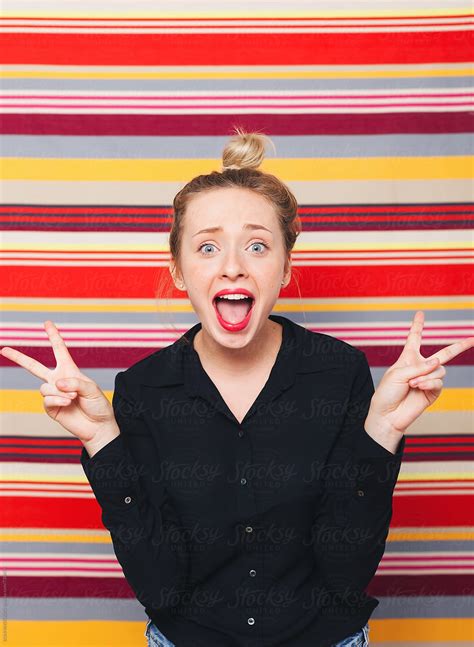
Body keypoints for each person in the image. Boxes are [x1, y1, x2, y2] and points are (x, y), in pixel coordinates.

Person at [2, 128, 472, 647]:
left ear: (287, 265)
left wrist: (380, 432)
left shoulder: (339, 373)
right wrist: (102, 443)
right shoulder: (143, 389)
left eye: (256, 245)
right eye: (207, 247)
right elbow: (158, 584)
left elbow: (344, 574)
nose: (232, 266)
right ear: (178, 270)